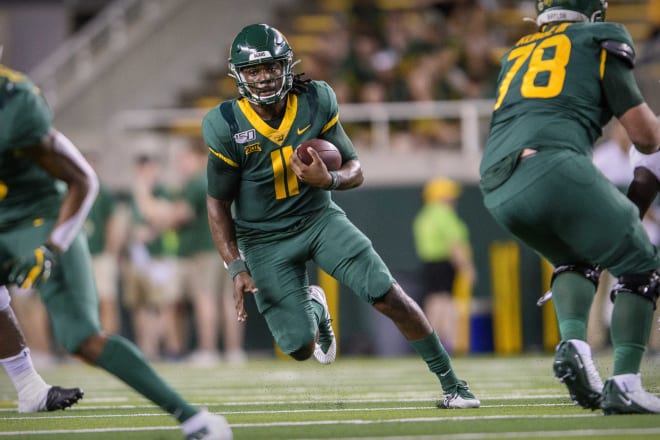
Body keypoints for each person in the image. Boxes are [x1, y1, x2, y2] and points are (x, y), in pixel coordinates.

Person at [203, 23, 480, 409]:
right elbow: (217, 201)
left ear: (287, 66)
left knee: (388, 296)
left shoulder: (316, 99)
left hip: (318, 219)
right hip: (263, 239)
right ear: (239, 76)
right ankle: (314, 306)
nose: (264, 78)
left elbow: (355, 167)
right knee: (298, 347)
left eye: (270, 67)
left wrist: (329, 178)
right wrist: (235, 265)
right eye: (253, 70)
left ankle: (453, 384)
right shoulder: (226, 125)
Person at [0, 63, 231, 438]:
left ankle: (194, 419)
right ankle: (29, 388)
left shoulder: (14, 102)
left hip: (38, 220)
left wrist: (52, 247)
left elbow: (83, 180)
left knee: (82, 338)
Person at [479, 0, 660, 415]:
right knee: (642, 261)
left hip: (496, 180)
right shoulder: (602, 37)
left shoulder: (517, 53)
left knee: (572, 259)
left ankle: (574, 342)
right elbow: (646, 137)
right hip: (553, 165)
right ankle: (627, 383)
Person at [133, 138, 246, 365]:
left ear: (198, 157)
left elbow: (177, 215)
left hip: (205, 250)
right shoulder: (219, 178)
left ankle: (208, 349)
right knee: (228, 299)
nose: (180, 164)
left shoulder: (197, 182)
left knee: (206, 299)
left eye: (184, 158)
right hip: (229, 248)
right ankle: (234, 351)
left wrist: (146, 200)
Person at [412, 178, 476, 353]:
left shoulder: (424, 216)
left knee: (433, 302)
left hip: (429, 264)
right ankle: (448, 344)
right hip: (443, 264)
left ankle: (433, 344)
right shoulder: (444, 214)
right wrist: (467, 267)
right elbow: (455, 244)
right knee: (445, 303)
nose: (454, 200)